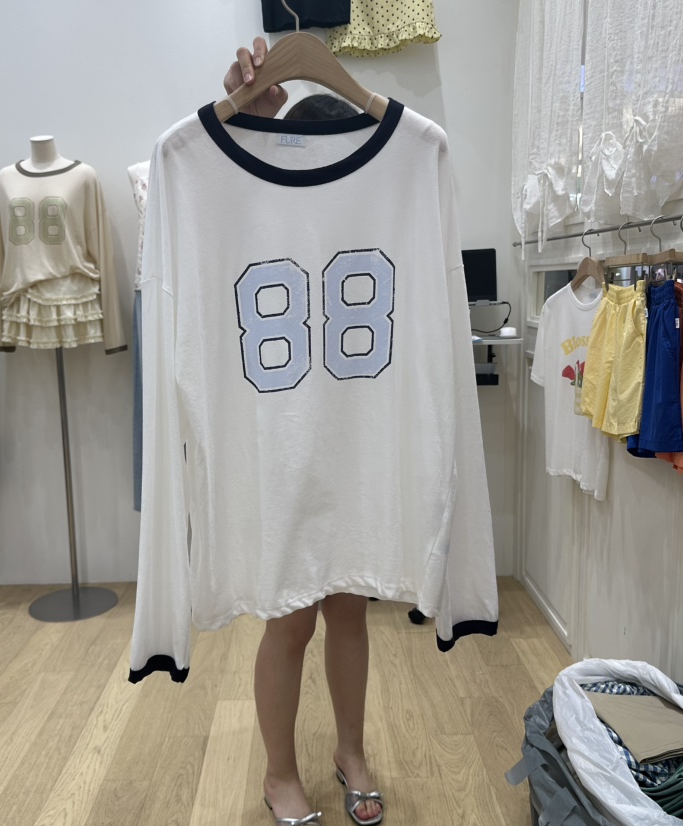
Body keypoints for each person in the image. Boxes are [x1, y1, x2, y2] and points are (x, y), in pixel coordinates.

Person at [222, 37, 385, 826]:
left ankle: (350, 751)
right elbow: (215, 203)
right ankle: (278, 772)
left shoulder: (379, 204)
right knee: (289, 616)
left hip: (353, 439)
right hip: (282, 442)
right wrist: (242, 118)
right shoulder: (254, 211)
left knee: (349, 607)